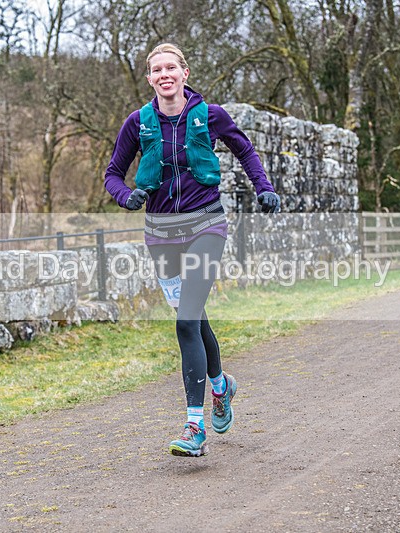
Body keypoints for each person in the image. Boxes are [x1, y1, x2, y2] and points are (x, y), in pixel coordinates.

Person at [104, 43, 280, 457]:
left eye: (171, 67)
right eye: (156, 69)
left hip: (206, 223)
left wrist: (265, 188)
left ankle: (194, 427)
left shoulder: (210, 115)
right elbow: (113, 174)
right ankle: (222, 387)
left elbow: (245, 150)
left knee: (185, 322)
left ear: (184, 73)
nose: (164, 74)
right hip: (161, 232)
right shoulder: (138, 123)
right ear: (149, 79)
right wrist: (125, 196)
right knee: (195, 318)